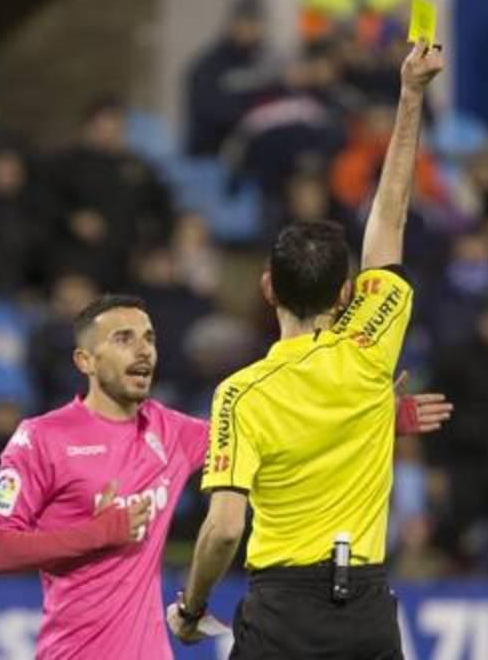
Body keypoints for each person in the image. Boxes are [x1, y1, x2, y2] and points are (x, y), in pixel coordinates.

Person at [0, 295, 449, 658]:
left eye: (150, 338)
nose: (143, 351)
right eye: (124, 339)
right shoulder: (42, 437)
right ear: (86, 361)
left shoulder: (170, 433)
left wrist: (376, 418)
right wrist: (99, 533)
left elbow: (280, 436)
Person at [169, 41, 445, 658]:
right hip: (367, 608)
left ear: (268, 288)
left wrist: (191, 609)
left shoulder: (240, 394)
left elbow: (222, 530)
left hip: (281, 614)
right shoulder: (370, 348)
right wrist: (410, 97)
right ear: (347, 293)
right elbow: (389, 218)